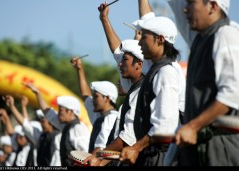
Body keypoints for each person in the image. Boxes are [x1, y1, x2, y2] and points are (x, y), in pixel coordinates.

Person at [168, 0, 239, 166]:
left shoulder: (226, 34)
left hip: (221, 149)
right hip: (200, 149)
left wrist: (193, 126)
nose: (185, 9)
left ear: (213, 6)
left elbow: (233, 93)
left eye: (192, 3)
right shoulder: (201, 39)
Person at [117, 0, 185, 166]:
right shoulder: (155, 66)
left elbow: (165, 128)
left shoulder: (166, 72)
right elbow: (147, 16)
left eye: (144, 37)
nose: (138, 42)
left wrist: (135, 147)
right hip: (152, 153)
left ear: (160, 39)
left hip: (161, 157)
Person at [83, 2, 145, 166]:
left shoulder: (144, 87)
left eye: (125, 60)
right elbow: (117, 51)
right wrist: (104, 19)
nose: (119, 64)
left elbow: (128, 137)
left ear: (140, 64)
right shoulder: (134, 84)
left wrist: (99, 158)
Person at [23, 82, 90, 166]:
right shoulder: (66, 126)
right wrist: (37, 93)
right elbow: (48, 112)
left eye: (60, 110)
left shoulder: (78, 128)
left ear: (71, 111)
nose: (58, 113)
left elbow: (86, 156)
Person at [70, 57, 118, 155]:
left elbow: (100, 148)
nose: (93, 100)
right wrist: (79, 69)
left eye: (96, 96)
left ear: (107, 98)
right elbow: (85, 96)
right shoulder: (99, 115)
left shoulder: (111, 117)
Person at [2, 95, 62, 166]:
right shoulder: (41, 137)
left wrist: (37, 93)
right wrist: (12, 106)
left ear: (51, 122)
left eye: (43, 121)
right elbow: (25, 124)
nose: (41, 123)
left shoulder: (60, 136)